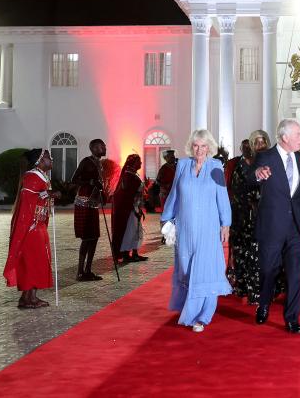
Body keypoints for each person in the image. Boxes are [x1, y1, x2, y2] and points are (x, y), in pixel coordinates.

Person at [160, 129, 232, 332]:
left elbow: (222, 197)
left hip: (209, 229)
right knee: (186, 269)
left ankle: (201, 315)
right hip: (185, 228)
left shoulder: (216, 167)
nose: (199, 150)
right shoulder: (182, 165)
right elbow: (174, 193)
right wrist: (166, 219)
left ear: (209, 147)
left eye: (203, 146)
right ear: (191, 146)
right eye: (196, 145)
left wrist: (225, 223)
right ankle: (188, 306)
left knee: (205, 270)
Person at [249, 120, 300, 333]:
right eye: (298, 134)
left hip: (295, 227)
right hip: (272, 226)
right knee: (268, 270)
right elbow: (250, 177)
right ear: (285, 137)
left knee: (295, 274)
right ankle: (264, 304)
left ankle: (292, 317)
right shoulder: (265, 157)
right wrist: (257, 173)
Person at [4, 149, 59, 308]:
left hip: (38, 225)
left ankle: (28, 297)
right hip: (31, 226)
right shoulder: (31, 176)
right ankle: (28, 297)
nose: (51, 159)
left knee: (37, 260)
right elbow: (28, 196)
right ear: (40, 160)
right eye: (48, 156)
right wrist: (48, 193)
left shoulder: (40, 176)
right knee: (32, 261)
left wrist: (48, 194)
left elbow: (40, 195)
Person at [228, 131, 273, 304]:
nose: (258, 146)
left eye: (262, 142)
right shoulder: (235, 165)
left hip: (261, 217)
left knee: (258, 254)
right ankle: (241, 287)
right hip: (239, 216)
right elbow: (230, 188)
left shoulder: (263, 163)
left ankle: (258, 291)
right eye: (256, 143)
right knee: (240, 253)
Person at [71, 139, 108, 281]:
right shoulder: (86, 161)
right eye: (101, 146)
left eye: (104, 146)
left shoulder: (99, 163)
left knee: (94, 237)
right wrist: (90, 182)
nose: (104, 148)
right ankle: (80, 272)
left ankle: (88, 270)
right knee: (87, 238)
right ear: (93, 148)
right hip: (84, 202)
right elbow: (74, 179)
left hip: (93, 202)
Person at [111, 154, 147, 263]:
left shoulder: (132, 175)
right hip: (129, 209)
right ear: (133, 163)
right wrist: (134, 208)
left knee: (136, 230)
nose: (140, 163)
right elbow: (126, 195)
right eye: (139, 162)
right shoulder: (128, 176)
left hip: (134, 207)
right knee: (130, 231)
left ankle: (134, 253)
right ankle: (126, 254)